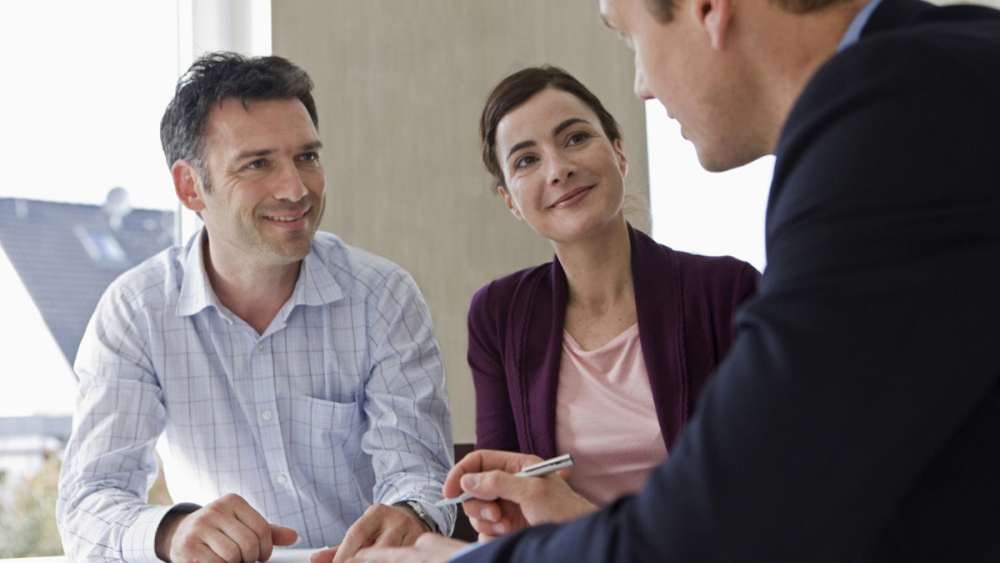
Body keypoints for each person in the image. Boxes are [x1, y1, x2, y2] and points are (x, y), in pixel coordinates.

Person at [347, 0, 1000, 560]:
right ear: (508, 197)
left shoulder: (891, 113)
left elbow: (738, 519)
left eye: (632, 38)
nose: (644, 87)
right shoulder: (942, 59)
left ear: (708, 8)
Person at [56, 52, 455, 563]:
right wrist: (173, 532)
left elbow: (420, 477)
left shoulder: (383, 296)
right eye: (258, 163)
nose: (295, 189)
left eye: (307, 156)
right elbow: (87, 503)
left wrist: (411, 515)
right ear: (190, 186)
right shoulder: (136, 312)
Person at [464, 65, 758, 536]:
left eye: (576, 138)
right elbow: (511, 501)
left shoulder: (728, 292)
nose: (559, 169)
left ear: (619, 152)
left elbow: (762, 487)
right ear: (511, 202)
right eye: (526, 161)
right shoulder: (498, 315)